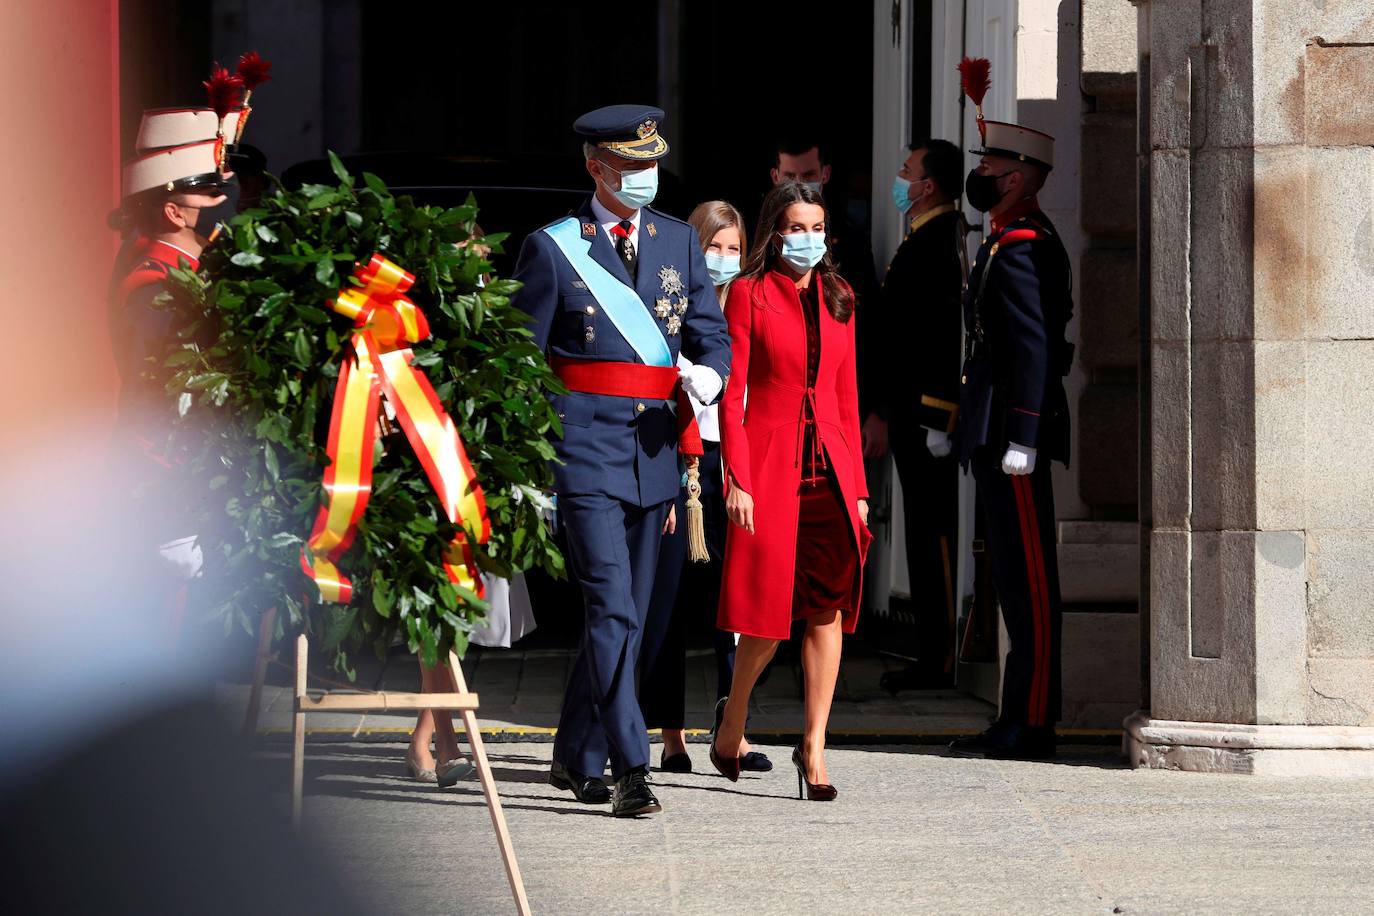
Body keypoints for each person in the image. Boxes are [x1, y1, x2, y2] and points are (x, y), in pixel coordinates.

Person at [512, 104, 731, 817]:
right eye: (631, 168)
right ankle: (630, 766)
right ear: (595, 168)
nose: (645, 178)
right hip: (584, 453)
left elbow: (709, 330)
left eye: (652, 165)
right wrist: (530, 462)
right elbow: (523, 365)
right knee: (610, 607)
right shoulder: (553, 247)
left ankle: (575, 751)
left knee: (630, 614)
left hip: (655, 453)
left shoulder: (677, 242)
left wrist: (712, 375)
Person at [711, 181, 872, 801]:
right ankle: (733, 722)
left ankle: (815, 747)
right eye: (797, 228)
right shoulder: (750, 294)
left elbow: (847, 398)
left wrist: (857, 489)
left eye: (817, 228)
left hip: (830, 474)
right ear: (775, 231)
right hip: (772, 466)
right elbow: (733, 395)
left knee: (826, 609)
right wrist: (739, 478)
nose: (809, 239)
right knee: (766, 620)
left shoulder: (840, 296)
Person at [945, 109, 1074, 760]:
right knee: (1011, 585)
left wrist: (1024, 433)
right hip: (992, 428)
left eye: (994, 167)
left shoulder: (1027, 243)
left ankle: (1032, 723)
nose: (982, 173)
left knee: (1029, 586)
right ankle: (1014, 715)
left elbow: (1032, 348)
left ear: (1022, 178)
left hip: (1014, 433)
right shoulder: (1003, 236)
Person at [637, 201, 770, 776]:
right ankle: (670, 736)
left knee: (732, 605)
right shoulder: (672, 305)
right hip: (679, 460)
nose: (723, 259)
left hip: (733, 465)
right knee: (669, 603)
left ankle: (731, 730)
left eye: (734, 249)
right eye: (713, 247)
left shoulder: (751, 305)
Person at [110, 134, 240, 634]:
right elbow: (162, 381)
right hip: (162, 454)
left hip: (181, 453)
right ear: (173, 213)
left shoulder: (180, 267)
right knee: (161, 597)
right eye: (206, 203)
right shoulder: (156, 281)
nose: (217, 212)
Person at [871, 139, 968, 689]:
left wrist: (938, 413)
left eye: (907, 170)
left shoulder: (937, 241)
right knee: (921, 534)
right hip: (911, 410)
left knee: (935, 538)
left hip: (926, 414)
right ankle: (932, 655)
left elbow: (939, 338)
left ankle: (940, 659)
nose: (900, 177)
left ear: (928, 184)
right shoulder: (924, 236)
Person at [769, 137, 885, 463]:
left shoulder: (850, 242)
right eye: (790, 177)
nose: (798, 186)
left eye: (808, 176)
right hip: (776, 413)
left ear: (826, 173)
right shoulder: (756, 243)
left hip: (839, 406)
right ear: (775, 176)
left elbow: (873, 329)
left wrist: (878, 410)